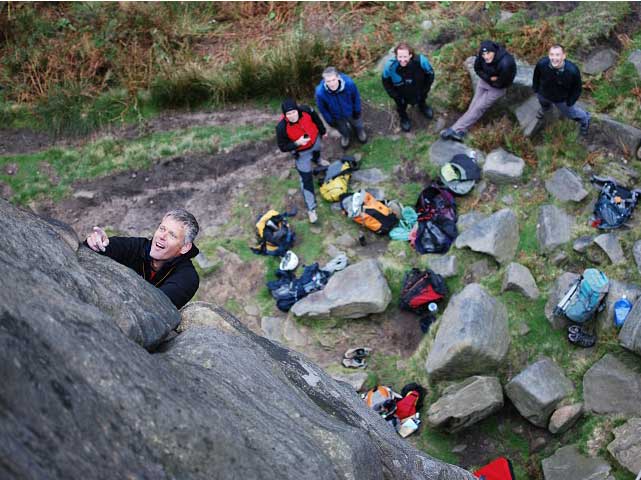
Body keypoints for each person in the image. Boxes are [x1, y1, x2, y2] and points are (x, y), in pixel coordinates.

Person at [85, 208, 200, 309]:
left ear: (185, 247)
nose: (162, 236)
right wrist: (96, 242)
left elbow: (157, 306)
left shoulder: (187, 278)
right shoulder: (137, 246)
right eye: (162, 229)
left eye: (172, 235)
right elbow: (103, 248)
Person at [441, 40, 517, 142]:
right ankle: (462, 131)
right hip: (485, 82)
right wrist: (490, 78)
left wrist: (492, 80)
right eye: (484, 54)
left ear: (494, 51)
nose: (486, 57)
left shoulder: (506, 63)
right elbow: (477, 69)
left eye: (488, 53)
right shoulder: (481, 56)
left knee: (478, 108)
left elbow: (501, 83)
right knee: (473, 106)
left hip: (497, 89)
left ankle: (454, 129)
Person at [276, 98, 328, 224]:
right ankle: (311, 209)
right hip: (301, 152)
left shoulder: (306, 110)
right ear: (285, 115)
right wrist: (296, 143)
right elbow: (283, 147)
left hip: (315, 141)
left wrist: (323, 131)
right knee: (306, 179)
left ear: (297, 110)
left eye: (293, 112)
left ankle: (318, 160)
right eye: (288, 114)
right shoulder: (281, 127)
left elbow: (316, 119)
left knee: (317, 152)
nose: (292, 116)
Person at [532, 44, 590, 136]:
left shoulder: (572, 71)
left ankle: (585, 119)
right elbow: (536, 77)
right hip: (543, 93)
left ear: (564, 56)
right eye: (552, 54)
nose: (554, 58)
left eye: (557, 55)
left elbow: (577, 88)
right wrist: (536, 89)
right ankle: (546, 109)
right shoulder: (542, 64)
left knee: (572, 114)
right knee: (543, 103)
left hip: (561, 99)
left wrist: (570, 101)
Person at [382, 42, 435, 132]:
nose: (402, 60)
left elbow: (430, 74)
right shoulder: (389, 66)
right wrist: (394, 95)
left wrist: (426, 88)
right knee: (401, 106)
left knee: (422, 98)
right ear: (396, 56)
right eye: (400, 57)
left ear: (410, 55)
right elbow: (386, 82)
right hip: (400, 93)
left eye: (405, 56)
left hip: (419, 89)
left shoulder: (421, 61)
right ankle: (404, 117)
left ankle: (423, 106)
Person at [315, 66, 367, 149]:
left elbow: (356, 97)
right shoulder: (320, 92)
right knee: (342, 129)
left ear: (338, 77)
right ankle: (346, 136)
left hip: (351, 111)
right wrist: (329, 120)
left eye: (333, 80)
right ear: (324, 81)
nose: (332, 84)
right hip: (336, 116)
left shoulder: (349, 84)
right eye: (328, 81)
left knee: (357, 123)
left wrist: (357, 110)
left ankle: (359, 131)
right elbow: (322, 109)